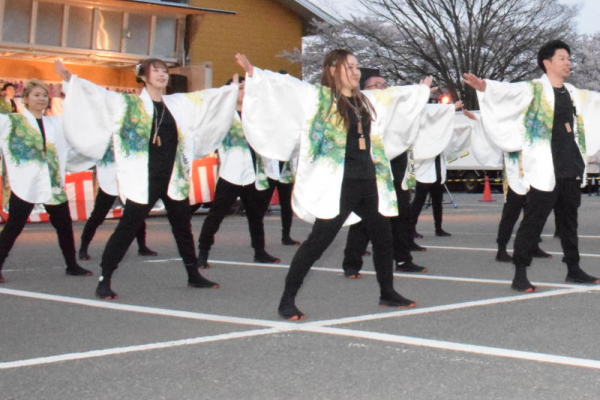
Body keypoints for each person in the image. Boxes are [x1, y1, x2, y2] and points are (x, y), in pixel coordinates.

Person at [237, 50, 431, 321]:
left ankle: (387, 292)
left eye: (356, 66)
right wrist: (256, 73)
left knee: (383, 237)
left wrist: (419, 91)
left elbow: (394, 97)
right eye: (348, 67)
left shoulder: (366, 100)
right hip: (339, 183)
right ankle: (287, 299)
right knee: (319, 241)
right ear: (332, 70)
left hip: (369, 180)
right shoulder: (319, 97)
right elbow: (287, 87)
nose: (355, 72)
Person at [58, 58, 239, 300]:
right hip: (144, 176)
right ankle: (105, 278)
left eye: (164, 71)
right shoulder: (129, 104)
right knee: (127, 227)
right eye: (155, 71)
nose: (162, 75)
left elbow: (206, 99)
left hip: (173, 174)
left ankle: (193, 274)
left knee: (183, 227)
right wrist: (71, 79)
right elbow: (98, 96)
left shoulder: (178, 103)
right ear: (143, 76)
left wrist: (229, 91)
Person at [464, 39, 600, 292]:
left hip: (569, 165)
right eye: (562, 58)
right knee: (533, 220)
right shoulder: (534, 89)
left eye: (569, 58)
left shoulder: (571, 92)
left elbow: (593, 101)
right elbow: (508, 92)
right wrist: (485, 86)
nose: (568, 62)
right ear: (546, 63)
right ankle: (520, 272)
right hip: (545, 166)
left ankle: (573, 268)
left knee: (569, 222)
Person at [0, 79, 93, 284]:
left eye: (44, 95)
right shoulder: (12, 122)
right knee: (14, 225)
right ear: (25, 99)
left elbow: (78, 128)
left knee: (64, 225)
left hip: (52, 181)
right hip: (25, 182)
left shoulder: (56, 123)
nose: (41, 99)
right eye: (36, 95)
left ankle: (71, 264)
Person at [340, 72, 428, 277]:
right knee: (364, 219)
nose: (381, 88)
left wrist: (420, 92)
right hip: (369, 167)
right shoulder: (358, 108)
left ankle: (404, 258)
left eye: (384, 85)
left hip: (394, 164)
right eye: (375, 85)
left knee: (400, 214)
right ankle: (351, 263)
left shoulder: (393, 107)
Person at [195, 77, 280, 268]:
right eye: (241, 89)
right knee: (216, 215)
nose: (244, 92)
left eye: (246, 89)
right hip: (231, 173)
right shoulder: (223, 115)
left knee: (256, 215)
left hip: (253, 172)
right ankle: (203, 251)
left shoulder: (255, 115)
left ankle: (259, 251)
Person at [77, 142, 156, 262]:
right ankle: (83, 247)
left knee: (136, 212)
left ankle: (142, 246)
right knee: (98, 215)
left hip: (128, 174)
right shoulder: (105, 130)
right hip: (109, 173)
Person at [407, 99, 471, 239]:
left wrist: (470, 123)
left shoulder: (438, 131)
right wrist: (452, 108)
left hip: (437, 169)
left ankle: (438, 228)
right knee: (419, 200)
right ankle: (410, 228)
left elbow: (453, 129)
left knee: (437, 201)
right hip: (424, 170)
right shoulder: (423, 128)